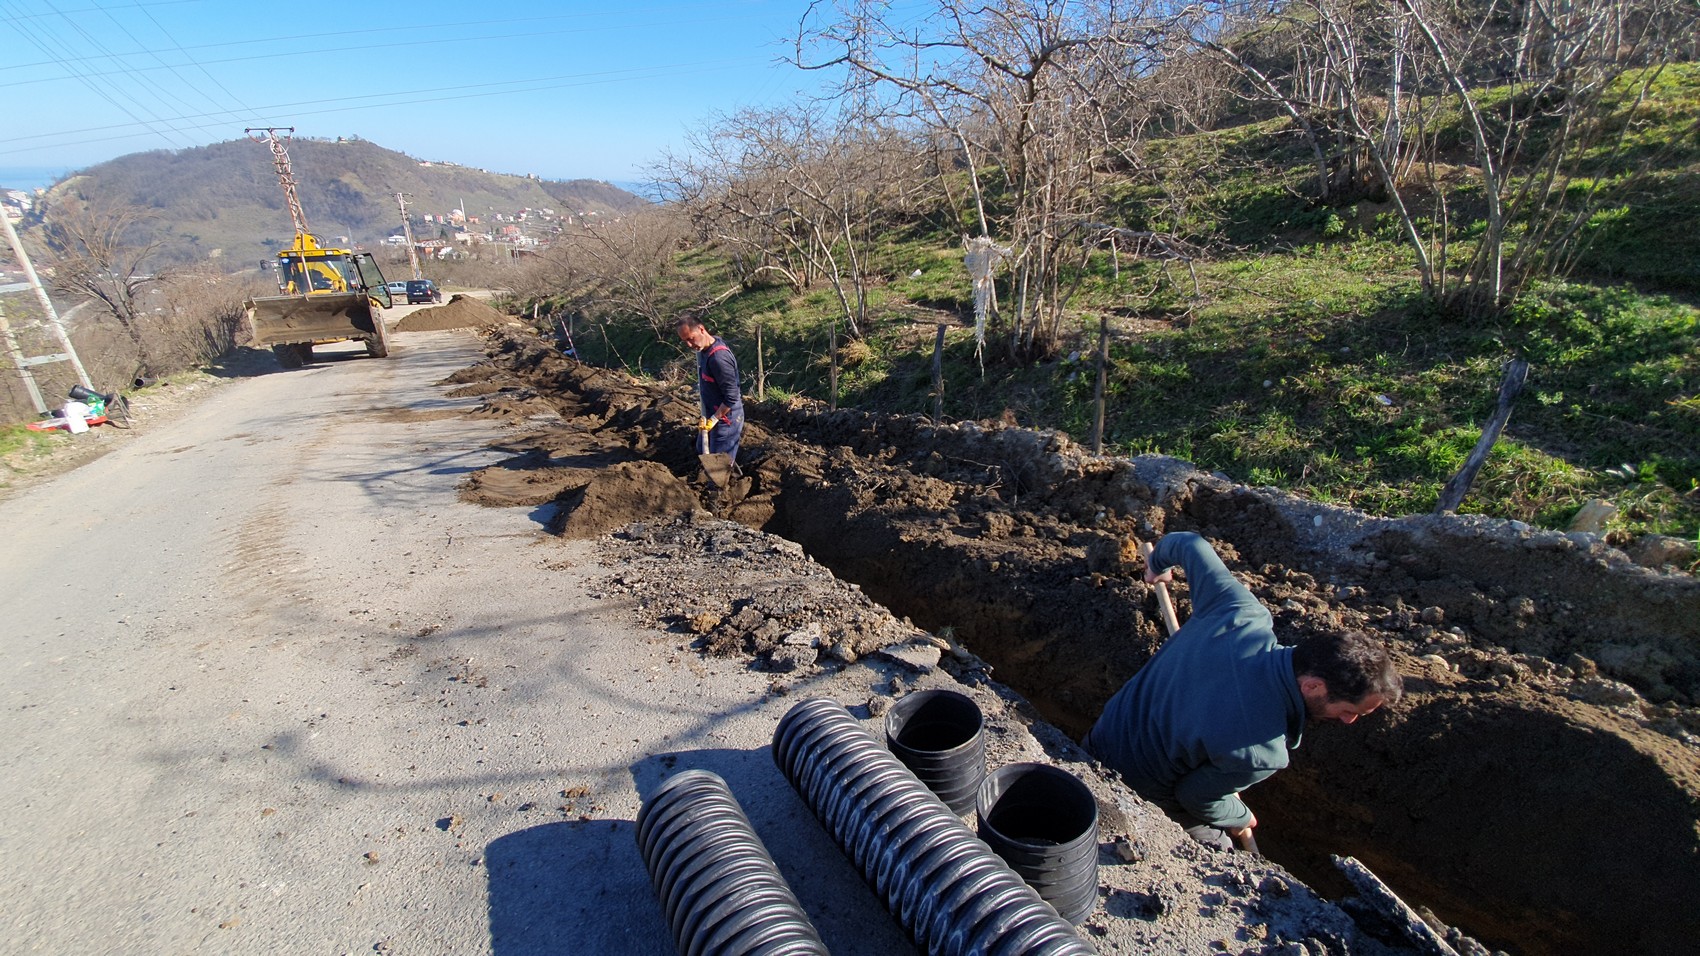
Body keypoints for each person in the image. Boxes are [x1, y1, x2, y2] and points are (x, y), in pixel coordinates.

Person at [1082, 531, 1402, 852]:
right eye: (1351, 710)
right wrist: (1239, 815)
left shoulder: (1240, 612)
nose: (1349, 721)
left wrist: (1157, 565)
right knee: (1222, 850)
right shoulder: (1263, 750)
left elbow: (1190, 545)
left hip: (1098, 741)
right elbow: (1196, 796)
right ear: (1314, 686)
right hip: (1137, 792)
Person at [675, 314, 744, 482]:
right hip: (712, 412)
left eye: (691, 339)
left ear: (701, 329)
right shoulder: (704, 350)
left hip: (726, 418)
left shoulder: (719, 359)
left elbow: (732, 396)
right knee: (702, 448)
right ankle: (731, 474)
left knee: (716, 466)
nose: (690, 345)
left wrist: (714, 419)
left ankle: (718, 498)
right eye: (685, 342)